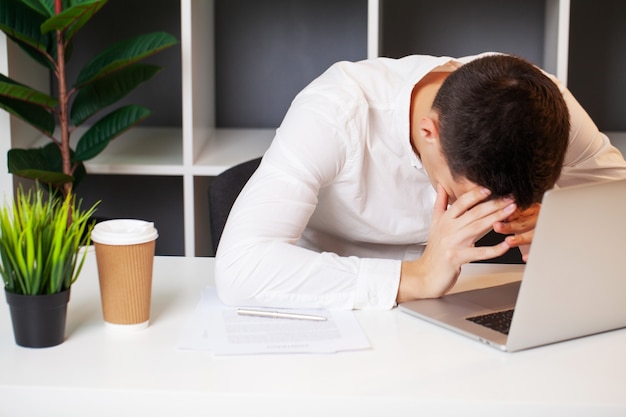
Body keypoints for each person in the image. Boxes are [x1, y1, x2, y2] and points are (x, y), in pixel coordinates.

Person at [215, 52, 626, 310]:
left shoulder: (540, 103)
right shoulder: (334, 112)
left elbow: (615, 193)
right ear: (429, 132)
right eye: (477, 198)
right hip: (330, 295)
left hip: (460, 303)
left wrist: (555, 217)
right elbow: (240, 269)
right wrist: (416, 277)